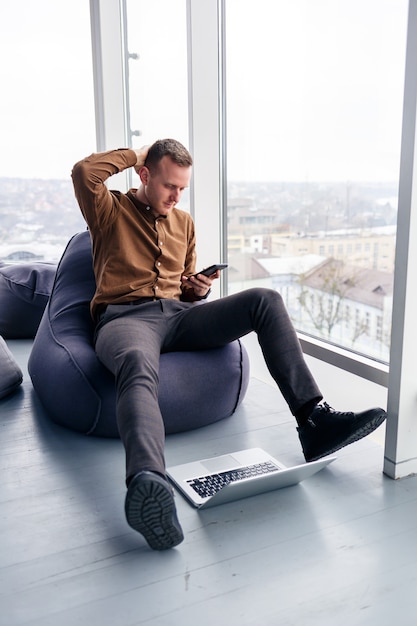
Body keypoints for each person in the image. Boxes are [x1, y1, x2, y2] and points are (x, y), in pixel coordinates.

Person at [71, 139, 386, 551]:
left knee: (265, 300)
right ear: (145, 175)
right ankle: (147, 481)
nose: (176, 196)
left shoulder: (183, 222)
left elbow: (184, 291)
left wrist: (197, 290)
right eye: (169, 185)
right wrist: (137, 153)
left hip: (178, 316)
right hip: (125, 318)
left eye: (182, 188)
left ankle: (315, 422)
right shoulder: (110, 210)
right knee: (134, 361)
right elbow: (83, 173)